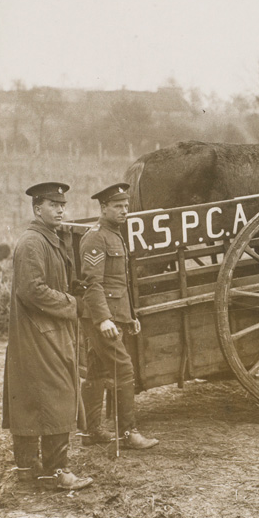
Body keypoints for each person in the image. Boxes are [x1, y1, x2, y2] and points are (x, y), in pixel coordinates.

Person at [2, 182, 93, 490]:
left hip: (42, 332)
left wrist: (71, 287)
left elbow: (46, 281)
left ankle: (27, 469)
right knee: (57, 395)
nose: (61, 210)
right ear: (37, 208)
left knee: (30, 398)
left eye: (62, 205)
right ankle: (57, 472)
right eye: (53, 205)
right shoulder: (32, 242)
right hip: (39, 334)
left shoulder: (47, 239)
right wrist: (72, 303)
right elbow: (31, 290)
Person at [79, 182, 158, 450]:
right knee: (124, 369)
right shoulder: (95, 237)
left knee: (97, 371)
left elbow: (120, 282)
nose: (124, 211)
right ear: (103, 208)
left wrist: (129, 315)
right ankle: (128, 434)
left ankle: (91, 432)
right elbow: (93, 283)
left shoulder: (115, 234)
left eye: (126, 206)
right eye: (118, 206)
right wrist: (103, 320)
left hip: (114, 315)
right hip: (102, 319)